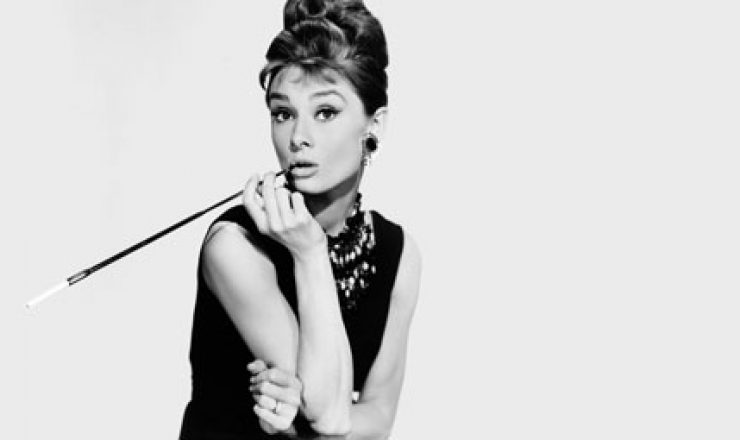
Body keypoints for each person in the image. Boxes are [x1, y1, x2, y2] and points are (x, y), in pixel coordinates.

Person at [179, 0, 421, 438]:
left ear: (374, 125)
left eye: (325, 112)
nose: (298, 138)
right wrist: (310, 253)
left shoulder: (396, 252)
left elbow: (378, 420)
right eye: (283, 113)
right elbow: (327, 415)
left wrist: (313, 421)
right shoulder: (235, 246)